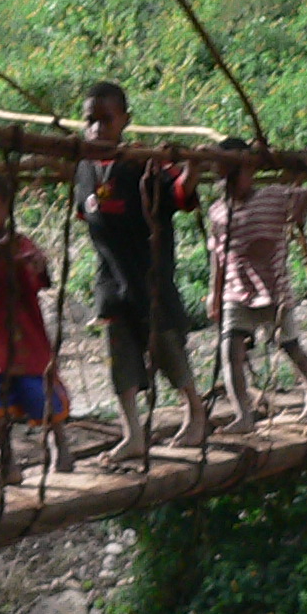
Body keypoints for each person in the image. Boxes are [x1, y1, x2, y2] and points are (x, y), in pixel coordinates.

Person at [75, 80, 210, 464]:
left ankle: (196, 413)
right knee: (121, 359)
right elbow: (86, 212)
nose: (97, 128)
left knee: (167, 348)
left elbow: (179, 194)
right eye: (90, 120)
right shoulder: (84, 167)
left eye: (106, 119)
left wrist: (193, 168)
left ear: (125, 120)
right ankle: (132, 433)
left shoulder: (143, 162)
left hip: (149, 276)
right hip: (110, 279)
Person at [0, 168, 72, 487]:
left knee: (37, 395)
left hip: (22, 339)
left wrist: (36, 266)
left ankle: (59, 443)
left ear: (6, 205)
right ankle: (7, 462)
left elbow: (38, 277)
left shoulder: (19, 246)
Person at [201, 137, 307, 431]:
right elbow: (218, 258)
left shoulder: (274, 197)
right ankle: (243, 415)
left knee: (290, 347)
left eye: (237, 174)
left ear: (250, 171)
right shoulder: (218, 211)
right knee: (230, 351)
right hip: (236, 291)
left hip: (273, 291)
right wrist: (214, 294)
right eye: (224, 177)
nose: (231, 183)